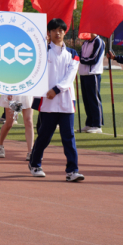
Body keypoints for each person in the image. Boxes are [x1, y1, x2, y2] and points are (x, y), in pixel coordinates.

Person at [28, 19, 85, 181]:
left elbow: (70, 76)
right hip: (48, 101)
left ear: (64, 32)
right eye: (54, 30)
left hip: (66, 101)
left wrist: (57, 89)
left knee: (69, 137)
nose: (57, 33)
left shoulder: (73, 54)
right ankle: (35, 164)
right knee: (44, 136)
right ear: (49, 32)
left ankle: (72, 170)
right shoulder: (42, 52)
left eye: (60, 30)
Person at [78, 34, 105, 133]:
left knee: (94, 99)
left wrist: (81, 59)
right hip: (83, 73)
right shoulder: (85, 42)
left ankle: (97, 125)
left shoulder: (99, 41)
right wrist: (80, 58)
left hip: (93, 74)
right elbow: (80, 54)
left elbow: (94, 59)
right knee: (86, 100)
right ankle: (89, 123)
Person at [0, 92, 35, 160]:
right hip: (13, 94)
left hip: (27, 93)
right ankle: (0, 145)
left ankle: (30, 151)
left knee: (29, 122)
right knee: (9, 123)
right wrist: (9, 92)